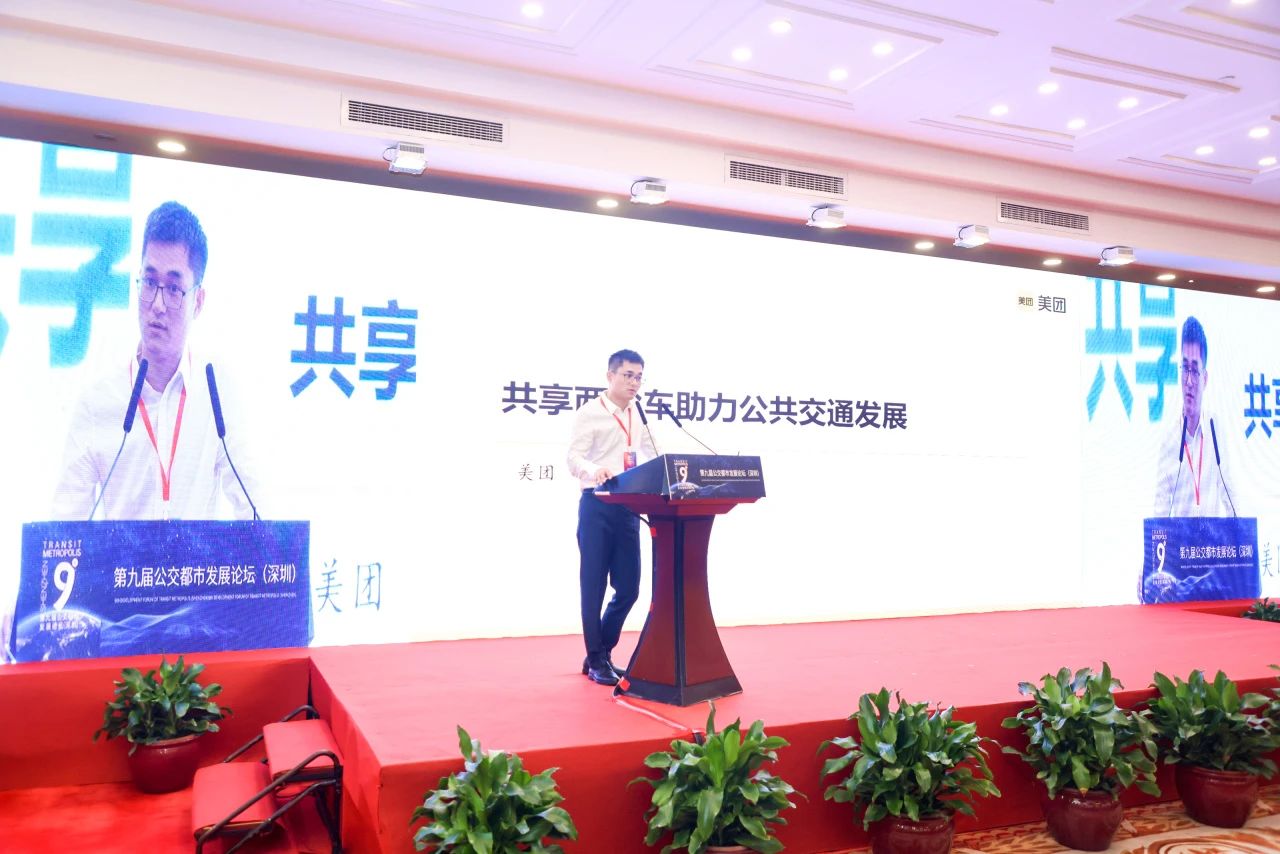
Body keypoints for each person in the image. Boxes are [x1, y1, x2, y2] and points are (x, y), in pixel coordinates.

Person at [51, 201, 255, 521]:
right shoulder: (97, 402)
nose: (157, 305)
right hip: (121, 558)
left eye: (173, 289)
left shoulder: (216, 393)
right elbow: (64, 528)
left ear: (198, 301)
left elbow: (257, 512)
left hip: (195, 558)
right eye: (149, 283)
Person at [567, 349, 658, 686]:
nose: (634, 383)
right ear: (610, 376)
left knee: (629, 588)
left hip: (628, 507)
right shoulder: (590, 412)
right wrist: (595, 470)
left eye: (639, 377)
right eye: (628, 375)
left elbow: (653, 453)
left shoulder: (638, 413)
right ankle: (597, 659)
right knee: (593, 587)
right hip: (597, 504)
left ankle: (599, 653)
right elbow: (573, 457)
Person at [1153, 316, 1234, 517]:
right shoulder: (1170, 439)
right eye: (1185, 368)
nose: (1188, 381)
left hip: (1211, 538)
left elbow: (1232, 498)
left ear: (1204, 378)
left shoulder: (1216, 430)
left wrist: (1241, 530)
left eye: (1195, 370)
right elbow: (1160, 510)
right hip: (1181, 539)